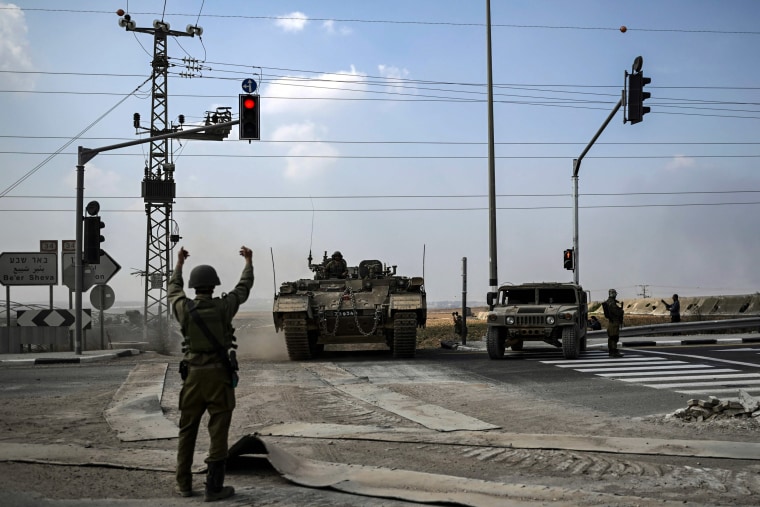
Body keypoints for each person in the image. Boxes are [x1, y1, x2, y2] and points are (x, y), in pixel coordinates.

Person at [169, 245, 254, 501]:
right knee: (218, 431)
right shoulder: (223, 307)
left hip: (193, 377)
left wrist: (179, 263)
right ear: (214, 286)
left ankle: (184, 484)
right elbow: (243, 288)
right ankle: (214, 488)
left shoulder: (184, 308)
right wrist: (248, 262)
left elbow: (173, 288)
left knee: (187, 431)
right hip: (219, 377)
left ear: (194, 286)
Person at [602, 288, 625, 358]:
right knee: (614, 337)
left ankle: (612, 351)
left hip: (611, 321)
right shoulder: (612, 303)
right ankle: (613, 351)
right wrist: (621, 311)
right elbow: (616, 312)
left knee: (611, 337)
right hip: (614, 322)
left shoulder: (609, 301)